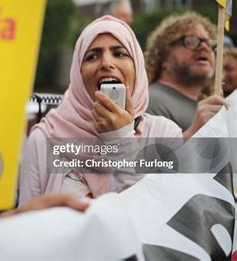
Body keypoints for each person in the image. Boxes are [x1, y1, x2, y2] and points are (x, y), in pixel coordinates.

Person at [19, 15, 183, 204]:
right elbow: (27, 223)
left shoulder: (165, 134)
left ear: (137, 68)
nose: (106, 63)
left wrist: (121, 140)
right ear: (78, 75)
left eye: (120, 53)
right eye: (92, 56)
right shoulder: (43, 139)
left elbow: (157, 221)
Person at [145, 12, 228, 139]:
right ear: (163, 57)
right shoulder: (148, 101)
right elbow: (147, 158)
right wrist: (193, 133)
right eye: (191, 41)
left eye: (210, 43)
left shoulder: (209, 106)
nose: (204, 47)